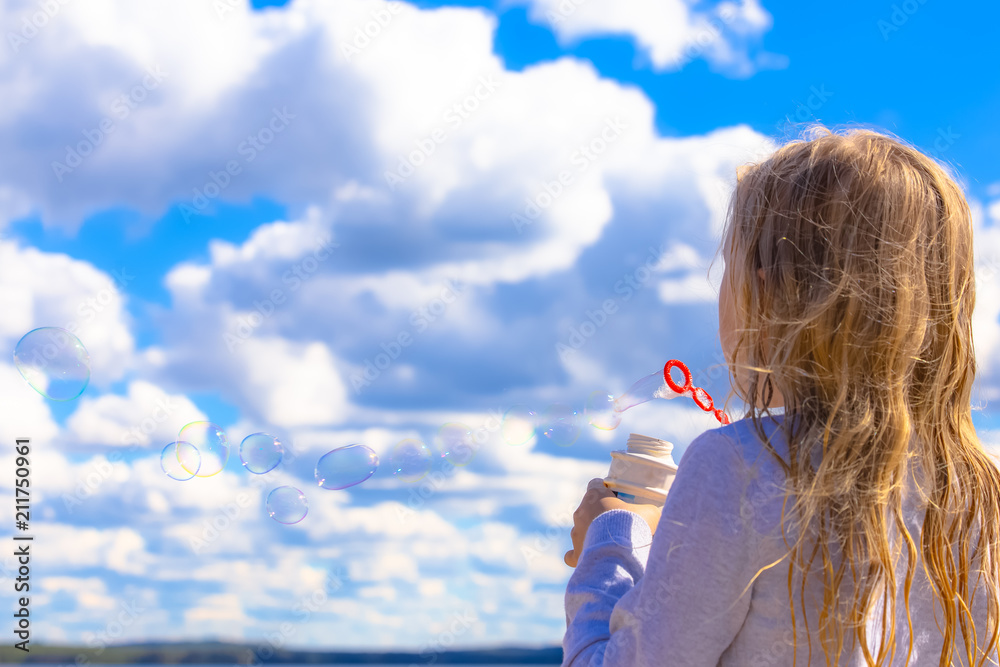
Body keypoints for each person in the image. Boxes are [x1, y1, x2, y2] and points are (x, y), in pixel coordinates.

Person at [562, 126, 1000, 666]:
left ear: (771, 292)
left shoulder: (737, 468)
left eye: (728, 267)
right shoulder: (980, 491)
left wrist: (608, 545)